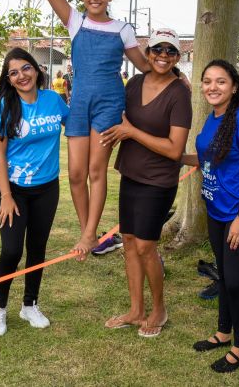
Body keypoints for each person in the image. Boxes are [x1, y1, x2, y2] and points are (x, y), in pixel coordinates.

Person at [43, 0, 148, 260]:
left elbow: (144, 66)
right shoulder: (77, 21)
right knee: (75, 173)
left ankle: (89, 235)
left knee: (95, 170)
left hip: (109, 104)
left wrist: (174, 74)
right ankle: (88, 230)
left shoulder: (122, 29)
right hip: (79, 104)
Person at [99, 28, 192, 338]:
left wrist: (132, 133)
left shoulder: (180, 93)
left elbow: (175, 149)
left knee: (145, 246)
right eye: (157, 49)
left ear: (178, 57)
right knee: (128, 241)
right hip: (131, 174)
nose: (162, 55)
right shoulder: (136, 82)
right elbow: (117, 116)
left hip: (159, 181)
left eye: (170, 51)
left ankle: (159, 309)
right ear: (147, 53)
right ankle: (136, 309)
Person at [182, 59, 239, 374]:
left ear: (233, 87)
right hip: (216, 212)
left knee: (233, 282)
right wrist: (175, 157)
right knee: (224, 275)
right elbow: (205, 158)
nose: (212, 87)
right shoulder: (212, 120)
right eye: (207, 81)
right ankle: (222, 332)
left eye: (220, 81)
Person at [0, 47, 69, 337]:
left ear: (36, 70)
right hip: (14, 190)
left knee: (37, 248)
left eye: (25, 68)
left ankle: (30, 305)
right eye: (13, 72)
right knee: (11, 250)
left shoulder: (53, 100)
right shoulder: (4, 107)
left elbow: (75, 127)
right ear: (8, 80)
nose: (21, 76)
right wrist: (6, 196)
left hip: (48, 188)